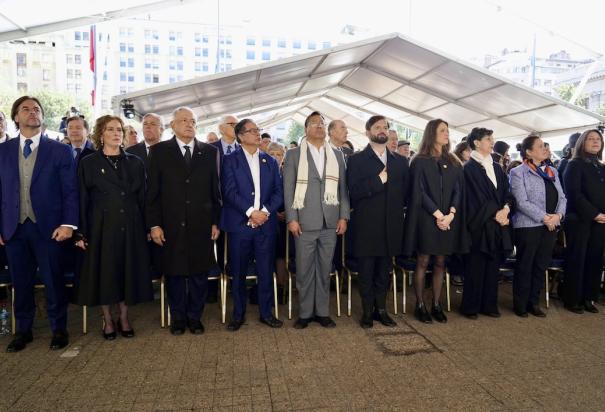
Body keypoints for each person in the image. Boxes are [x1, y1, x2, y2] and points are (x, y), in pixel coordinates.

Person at [0, 96, 78, 352]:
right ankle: (23, 331)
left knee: (53, 281)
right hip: (13, 228)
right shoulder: (3, 151)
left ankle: (59, 329)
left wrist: (68, 224)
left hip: (50, 228)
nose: (33, 113)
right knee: (20, 282)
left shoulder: (60, 150)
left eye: (37, 109)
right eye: (26, 109)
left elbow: (70, 191)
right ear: (16, 117)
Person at [74, 115, 153, 339]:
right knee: (105, 273)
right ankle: (108, 319)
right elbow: (82, 199)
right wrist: (80, 232)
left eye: (119, 129)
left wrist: (147, 227)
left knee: (127, 272)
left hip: (131, 225)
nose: (116, 133)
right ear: (101, 134)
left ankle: (124, 317)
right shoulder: (88, 163)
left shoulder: (135, 162)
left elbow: (143, 198)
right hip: (101, 226)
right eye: (110, 129)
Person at [146, 107, 221, 335]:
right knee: (175, 273)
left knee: (199, 274)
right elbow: (152, 193)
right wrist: (154, 224)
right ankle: (178, 317)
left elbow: (214, 190)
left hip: (201, 223)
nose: (189, 124)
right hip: (170, 224)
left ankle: (194, 317)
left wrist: (215, 222)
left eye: (193, 121)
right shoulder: (159, 151)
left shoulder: (208, 152)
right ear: (173, 125)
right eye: (184, 120)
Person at [283, 111, 350, 329]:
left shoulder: (337, 155)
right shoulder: (293, 154)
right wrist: (291, 219)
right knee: (304, 270)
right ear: (306, 129)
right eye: (314, 124)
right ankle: (304, 313)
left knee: (324, 269)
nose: (319, 126)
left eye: (322, 123)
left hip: (330, 222)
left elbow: (343, 191)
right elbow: (288, 190)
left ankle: (322, 312)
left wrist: (343, 216)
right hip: (304, 222)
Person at [220, 119, 284, 331]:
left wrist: (264, 213)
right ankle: (238, 315)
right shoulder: (230, 160)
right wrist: (250, 212)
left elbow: (279, 192)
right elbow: (229, 192)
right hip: (241, 225)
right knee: (238, 272)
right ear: (240, 136)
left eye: (259, 130)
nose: (258, 134)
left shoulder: (270, 161)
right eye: (252, 131)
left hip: (265, 225)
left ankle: (266, 313)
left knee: (266, 271)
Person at [403, 118, 467, 324]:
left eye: (447, 130)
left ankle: (437, 304)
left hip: (448, 219)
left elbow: (458, 190)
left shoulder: (454, 161)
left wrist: (451, 214)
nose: (446, 133)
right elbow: (418, 192)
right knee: (423, 261)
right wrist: (438, 214)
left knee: (441, 262)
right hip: (427, 218)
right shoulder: (419, 161)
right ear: (432, 133)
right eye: (442, 130)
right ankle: (420, 304)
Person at [347, 115, 409, 328]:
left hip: (391, 226)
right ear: (368, 132)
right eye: (377, 127)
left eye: (385, 127)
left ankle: (381, 310)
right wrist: (378, 181)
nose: (382, 130)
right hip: (366, 226)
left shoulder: (401, 162)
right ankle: (366, 312)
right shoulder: (356, 160)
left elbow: (406, 195)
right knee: (366, 272)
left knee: (384, 271)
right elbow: (353, 192)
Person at [509, 135, 566, 318]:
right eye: (541, 146)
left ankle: (534, 302)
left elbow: (563, 198)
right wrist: (545, 217)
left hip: (550, 226)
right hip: (528, 226)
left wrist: (557, 217)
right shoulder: (518, 172)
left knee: (540, 265)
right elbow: (521, 201)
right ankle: (520, 304)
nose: (545, 149)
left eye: (545, 146)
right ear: (529, 151)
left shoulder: (552, 171)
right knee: (525, 265)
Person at [460, 128, 513, 319]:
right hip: (479, 224)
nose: (492, 142)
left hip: (498, 223)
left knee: (493, 266)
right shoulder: (468, 168)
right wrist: (495, 212)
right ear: (476, 142)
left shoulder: (498, 168)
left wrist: (506, 209)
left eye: (493, 138)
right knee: (476, 265)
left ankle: (489, 305)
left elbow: (507, 193)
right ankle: (471, 306)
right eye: (488, 139)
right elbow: (472, 199)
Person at [561, 129, 605, 314]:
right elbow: (574, 194)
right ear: (582, 143)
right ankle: (573, 299)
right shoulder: (575, 164)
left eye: (598, 139)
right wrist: (594, 213)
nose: (595, 142)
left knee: (595, 260)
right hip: (579, 220)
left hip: (601, 221)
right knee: (577, 259)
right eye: (591, 139)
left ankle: (589, 298)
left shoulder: (602, 166)